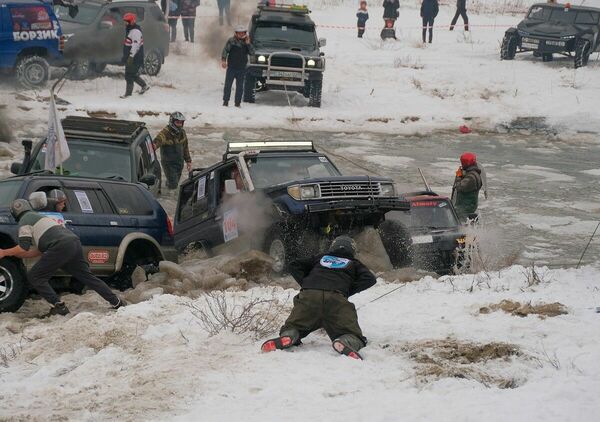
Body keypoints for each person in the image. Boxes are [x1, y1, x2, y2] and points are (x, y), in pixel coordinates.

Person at [0, 199, 125, 316]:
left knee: (35, 276)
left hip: (60, 246)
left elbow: (23, 247)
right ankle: (117, 302)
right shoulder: (40, 218)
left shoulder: (24, 220)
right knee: (87, 277)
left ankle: (59, 306)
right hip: (73, 242)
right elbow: (37, 251)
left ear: (14, 213)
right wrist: (11, 253)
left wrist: (4, 252)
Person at [261, 236, 377, 360]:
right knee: (352, 334)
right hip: (336, 299)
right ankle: (345, 342)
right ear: (352, 251)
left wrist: (308, 284)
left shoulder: (321, 258)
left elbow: (294, 265)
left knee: (295, 326)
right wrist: (346, 290)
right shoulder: (353, 263)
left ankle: (288, 336)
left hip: (309, 296)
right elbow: (370, 279)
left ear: (332, 247)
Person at [153, 112, 192, 190]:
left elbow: (185, 147)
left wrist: (188, 161)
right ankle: (168, 195)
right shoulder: (165, 133)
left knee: (175, 182)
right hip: (169, 164)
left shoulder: (182, 133)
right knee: (173, 184)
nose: (180, 125)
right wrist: (154, 146)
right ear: (172, 122)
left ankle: (167, 187)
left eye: (181, 123)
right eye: (178, 122)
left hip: (179, 163)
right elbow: (158, 140)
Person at [221, 26, 254, 107]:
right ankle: (225, 102)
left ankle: (237, 103)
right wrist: (223, 60)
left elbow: (252, 53)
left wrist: (248, 44)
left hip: (242, 68)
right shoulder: (231, 41)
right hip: (231, 67)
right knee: (228, 85)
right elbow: (225, 50)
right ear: (236, 33)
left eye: (243, 32)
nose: (241, 34)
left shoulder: (247, 42)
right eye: (239, 33)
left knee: (240, 87)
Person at [121, 13, 149, 98]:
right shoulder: (130, 29)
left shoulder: (135, 31)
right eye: (125, 22)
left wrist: (130, 57)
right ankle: (144, 86)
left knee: (129, 75)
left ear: (131, 21)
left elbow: (135, 46)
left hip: (135, 57)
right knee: (132, 74)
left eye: (127, 22)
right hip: (132, 56)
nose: (125, 23)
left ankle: (128, 94)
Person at [452, 152, 483, 221]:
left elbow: (459, 187)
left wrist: (458, 176)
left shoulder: (471, 177)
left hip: (465, 208)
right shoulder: (474, 173)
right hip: (467, 206)